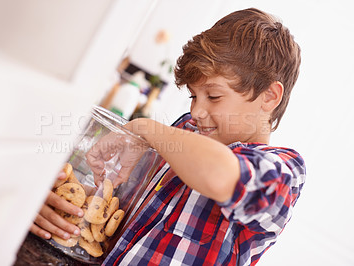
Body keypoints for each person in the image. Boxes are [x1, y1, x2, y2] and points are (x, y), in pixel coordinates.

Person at [31, 7, 306, 265]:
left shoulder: (284, 171)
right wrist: (69, 211)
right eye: (193, 96)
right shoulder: (185, 132)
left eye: (213, 96)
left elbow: (221, 174)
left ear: (269, 96)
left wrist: (145, 128)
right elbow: (129, 221)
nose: (196, 111)